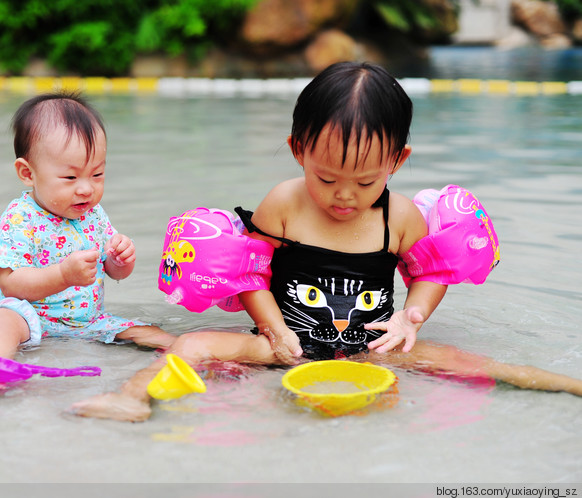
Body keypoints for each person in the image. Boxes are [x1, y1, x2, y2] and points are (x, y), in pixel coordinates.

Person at [70, 62, 582, 421]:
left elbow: (430, 273)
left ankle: (567, 384)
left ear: (397, 162)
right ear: (298, 150)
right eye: (326, 177)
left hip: (370, 350)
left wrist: (410, 318)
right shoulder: (284, 205)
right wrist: (273, 331)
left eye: (365, 182)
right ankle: (131, 398)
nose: (343, 196)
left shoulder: (400, 217)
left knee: (467, 363)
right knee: (194, 343)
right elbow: (249, 275)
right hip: (281, 343)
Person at [0, 92, 175, 392]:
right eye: (70, 177)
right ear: (28, 173)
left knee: (150, 332)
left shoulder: (94, 215)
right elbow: (11, 284)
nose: (86, 189)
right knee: (2, 320)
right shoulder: (20, 218)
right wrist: (64, 275)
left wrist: (120, 261)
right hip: (30, 317)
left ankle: (195, 355)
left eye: (98, 174)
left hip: (89, 321)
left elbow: (113, 272)